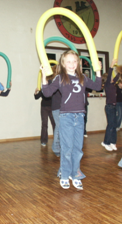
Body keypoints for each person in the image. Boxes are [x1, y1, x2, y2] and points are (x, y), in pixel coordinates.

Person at [41, 50, 102, 190]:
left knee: (78, 149)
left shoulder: (83, 78)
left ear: (78, 63)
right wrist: (44, 76)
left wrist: (98, 70)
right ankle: (64, 175)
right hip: (66, 117)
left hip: (80, 117)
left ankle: (75, 174)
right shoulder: (60, 78)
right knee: (67, 148)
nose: (72, 64)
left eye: (74, 61)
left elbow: (98, 87)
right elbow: (47, 92)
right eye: (68, 61)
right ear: (63, 63)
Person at [101, 59, 120, 151]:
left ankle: (113, 142)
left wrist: (121, 72)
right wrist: (111, 65)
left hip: (113, 106)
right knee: (110, 125)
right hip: (109, 107)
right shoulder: (108, 84)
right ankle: (106, 142)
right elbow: (110, 75)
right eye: (110, 77)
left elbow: (117, 77)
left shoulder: (112, 84)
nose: (112, 78)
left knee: (114, 125)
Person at [34, 80, 55, 147]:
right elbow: (36, 97)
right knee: (44, 124)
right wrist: (35, 92)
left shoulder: (53, 90)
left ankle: (57, 140)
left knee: (54, 124)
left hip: (52, 107)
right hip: (44, 108)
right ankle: (43, 141)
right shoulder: (43, 89)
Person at [49, 65, 61, 157]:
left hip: (62, 107)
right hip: (57, 107)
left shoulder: (60, 80)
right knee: (59, 127)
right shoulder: (54, 81)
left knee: (60, 127)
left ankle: (58, 147)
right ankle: (56, 148)